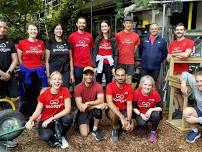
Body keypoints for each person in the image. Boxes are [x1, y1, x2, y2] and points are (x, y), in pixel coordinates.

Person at [25, 71, 73, 149]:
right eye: (54, 79)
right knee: (46, 136)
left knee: (68, 118)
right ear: (50, 81)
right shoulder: (44, 94)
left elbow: (68, 109)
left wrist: (52, 118)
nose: (57, 82)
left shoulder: (65, 90)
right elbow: (38, 110)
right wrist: (31, 120)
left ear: (62, 81)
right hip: (46, 119)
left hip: (59, 117)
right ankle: (55, 134)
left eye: (59, 79)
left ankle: (62, 135)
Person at [17, 23, 48, 117]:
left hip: (38, 72)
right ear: (27, 31)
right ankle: (25, 114)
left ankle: (35, 113)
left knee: (37, 93)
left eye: (35, 29)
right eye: (31, 29)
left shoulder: (41, 43)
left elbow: (42, 57)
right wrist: (26, 67)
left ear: (37, 31)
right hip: (26, 71)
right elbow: (19, 59)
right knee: (25, 93)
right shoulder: (22, 43)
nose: (33, 31)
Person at [167, 23, 194, 119]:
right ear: (175, 32)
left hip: (183, 73)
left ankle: (183, 112)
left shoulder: (189, 42)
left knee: (182, 93)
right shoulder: (172, 43)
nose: (179, 31)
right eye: (177, 29)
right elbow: (168, 58)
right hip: (173, 71)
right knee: (174, 92)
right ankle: (178, 110)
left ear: (184, 31)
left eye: (181, 29)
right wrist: (177, 55)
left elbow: (186, 54)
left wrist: (174, 55)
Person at [74, 66, 107, 141]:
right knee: (84, 134)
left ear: (93, 75)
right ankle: (83, 122)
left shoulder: (98, 86)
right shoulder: (78, 87)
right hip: (83, 111)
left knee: (98, 111)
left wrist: (88, 103)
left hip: (93, 110)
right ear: (83, 75)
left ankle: (94, 130)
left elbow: (101, 100)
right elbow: (81, 108)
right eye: (86, 74)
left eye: (91, 74)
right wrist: (98, 105)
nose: (89, 76)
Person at [0, 17, 19, 148]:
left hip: (9, 75)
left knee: (12, 99)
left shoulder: (9, 42)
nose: (3, 29)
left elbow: (15, 59)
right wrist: (1, 74)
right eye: (0, 27)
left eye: (5, 27)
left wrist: (9, 73)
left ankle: (6, 134)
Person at [106, 65, 134, 143]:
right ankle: (115, 128)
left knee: (129, 129)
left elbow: (129, 105)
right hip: (113, 111)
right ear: (115, 75)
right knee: (115, 110)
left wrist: (128, 120)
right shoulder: (110, 86)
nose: (120, 77)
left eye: (122, 75)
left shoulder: (129, 88)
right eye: (118, 75)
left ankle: (123, 125)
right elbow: (109, 103)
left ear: (125, 76)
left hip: (124, 110)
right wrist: (121, 117)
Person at [133, 75, 162, 143]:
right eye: (145, 84)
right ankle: (143, 126)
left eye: (149, 85)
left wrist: (150, 110)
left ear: (152, 86)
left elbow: (160, 108)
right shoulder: (136, 92)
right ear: (141, 85)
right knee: (142, 124)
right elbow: (134, 107)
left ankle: (153, 132)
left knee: (156, 115)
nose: (147, 87)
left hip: (151, 114)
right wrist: (141, 114)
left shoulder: (154, 93)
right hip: (140, 113)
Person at [45, 24, 74, 88]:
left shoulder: (67, 43)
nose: (59, 30)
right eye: (57, 29)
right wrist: (48, 75)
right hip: (53, 71)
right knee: (55, 90)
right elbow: (47, 61)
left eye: (60, 29)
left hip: (65, 71)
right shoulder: (49, 42)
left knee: (65, 89)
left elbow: (71, 59)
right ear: (54, 31)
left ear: (63, 31)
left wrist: (71, 74)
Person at [68, 17, 94, 85]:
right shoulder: (72, 36)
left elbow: (91, 49)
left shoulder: (89, 36)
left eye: (83, 23)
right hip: (77, 65)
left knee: (89, 83)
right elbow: (70, 51)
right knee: (78, 84)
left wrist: (92, 64)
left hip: (88, 64)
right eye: (80, 23)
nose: (81, 24)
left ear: (85, 25)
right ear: (77, 24)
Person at [92, 20, 118, 86]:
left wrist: (114, 67)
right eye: (102, 26)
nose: (104, 28)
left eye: (105, 26)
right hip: (99, 62)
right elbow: (94, 52)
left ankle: (108, 95)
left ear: (109, 27)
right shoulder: (98, 39)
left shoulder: (113, 39)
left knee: (109, 82)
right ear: (100, 28)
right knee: (98, 82)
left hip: (109, 63)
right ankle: (99, 95)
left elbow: (116, 53)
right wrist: (94, 66)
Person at [115, 16, 140, 85]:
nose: (128, 24)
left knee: (129, 81)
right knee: (119, 80)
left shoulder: (136, 36)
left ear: (132, 24)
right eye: (126, 23)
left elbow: (135, 49)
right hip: (120, 61)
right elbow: (115, 48)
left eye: (130, 23)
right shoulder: (118, 35)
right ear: (124, 24)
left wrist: (136, 59)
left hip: (130, 62)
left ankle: (127, 95)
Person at [181, 71, 202, 143]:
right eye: (197, 81)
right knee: (186, 112)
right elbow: (185, 74)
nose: (199, 83)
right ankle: (195, 131)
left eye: (201, 81)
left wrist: (197, 120)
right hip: (200, 110)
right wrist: (183, 84)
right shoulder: (195, 84)